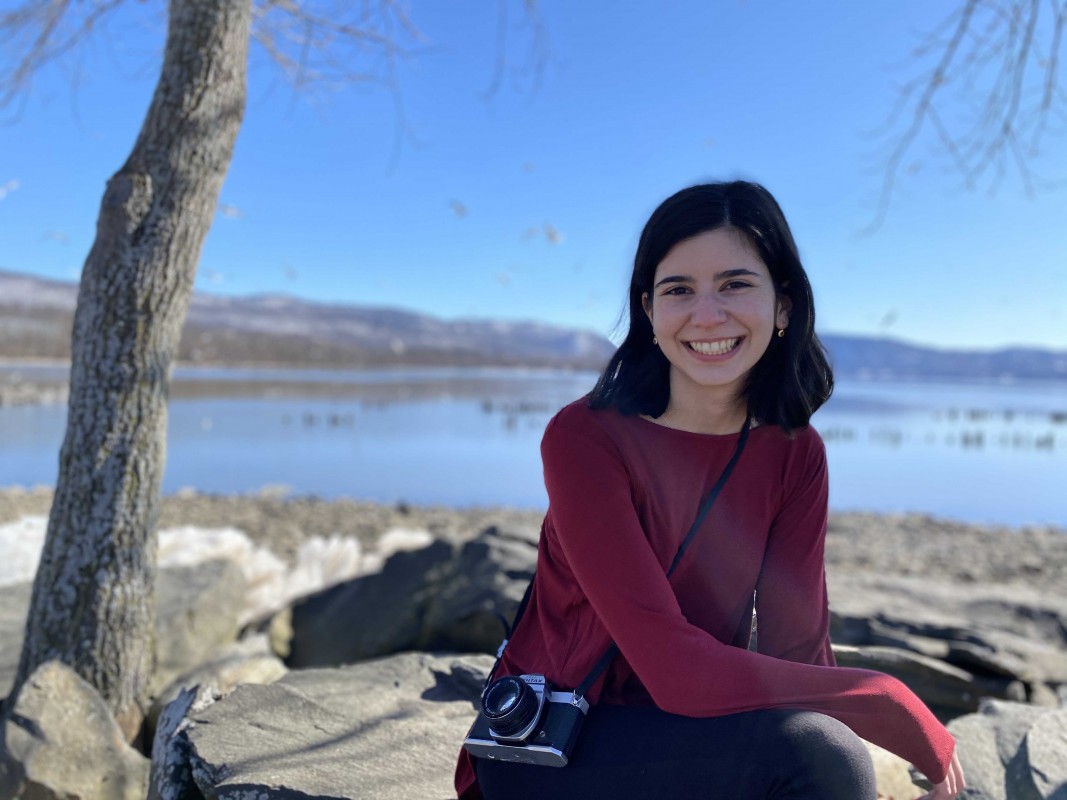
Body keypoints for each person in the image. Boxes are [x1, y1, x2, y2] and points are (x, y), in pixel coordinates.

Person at [455, 181, 966, 799]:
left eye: (735, 284)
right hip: (557, 740)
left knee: (828, 749)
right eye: (679, 290)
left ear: (784, 306)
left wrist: (853, 724)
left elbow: (797, 647)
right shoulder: (584, 438)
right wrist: (885, 700)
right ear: (649, 311)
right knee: (820, 756)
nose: (706, 315)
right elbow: (674, 671)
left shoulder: (794, 451)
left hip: (700, 729)